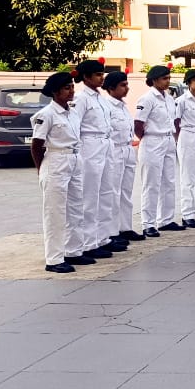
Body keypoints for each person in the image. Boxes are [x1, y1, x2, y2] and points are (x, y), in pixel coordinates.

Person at [31, 71, 89, 273]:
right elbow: (36, 145)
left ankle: (74, 250)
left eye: (72, 87)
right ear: (55, 92)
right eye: (67, 88)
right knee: (55, 211)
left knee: (75, 207)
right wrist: (42, 170)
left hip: (73, 158)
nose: (71, 91)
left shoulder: (72, 112)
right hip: (55, 160)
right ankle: (54, 259)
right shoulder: (46, 114)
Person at [71, 58, 121, 258]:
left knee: (106, 192)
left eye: (102, 74)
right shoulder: (82, 99)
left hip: (106, 144)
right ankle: (88, 242)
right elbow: (75, 125)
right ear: (86, 77)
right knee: (90, 195)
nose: (102, 78)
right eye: (98, 74)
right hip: (89, 144)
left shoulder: (101, 98)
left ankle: (103, 237)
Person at [135, 64, 183, 236]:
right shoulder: (147, 99)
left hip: (168, 139)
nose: (167, 81)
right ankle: (148, 223)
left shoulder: (169, 98)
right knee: (151, 183)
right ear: (154, 80)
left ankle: (166, 219)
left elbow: (174, 121)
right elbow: (138, 125)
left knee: (169, 181)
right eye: (164, 78)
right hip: (152, 140)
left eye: (169, 78)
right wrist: (147, 139)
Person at [103, 71, 144, 244]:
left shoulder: (122, 106)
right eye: (123, 85)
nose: (126, 88)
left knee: (126, 191)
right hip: (114, 150)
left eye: (126, 84)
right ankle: (112, 231)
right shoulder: (107, 107)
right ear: (111, 88)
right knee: (113, 191)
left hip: (127, 149)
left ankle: (125, 227)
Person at [174, 67, 195, 229]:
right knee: (188, 176)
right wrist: (179, 140)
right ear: (188, 83)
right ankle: (188, 214)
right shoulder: (181, 101)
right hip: (187, 135)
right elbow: (176, 123)